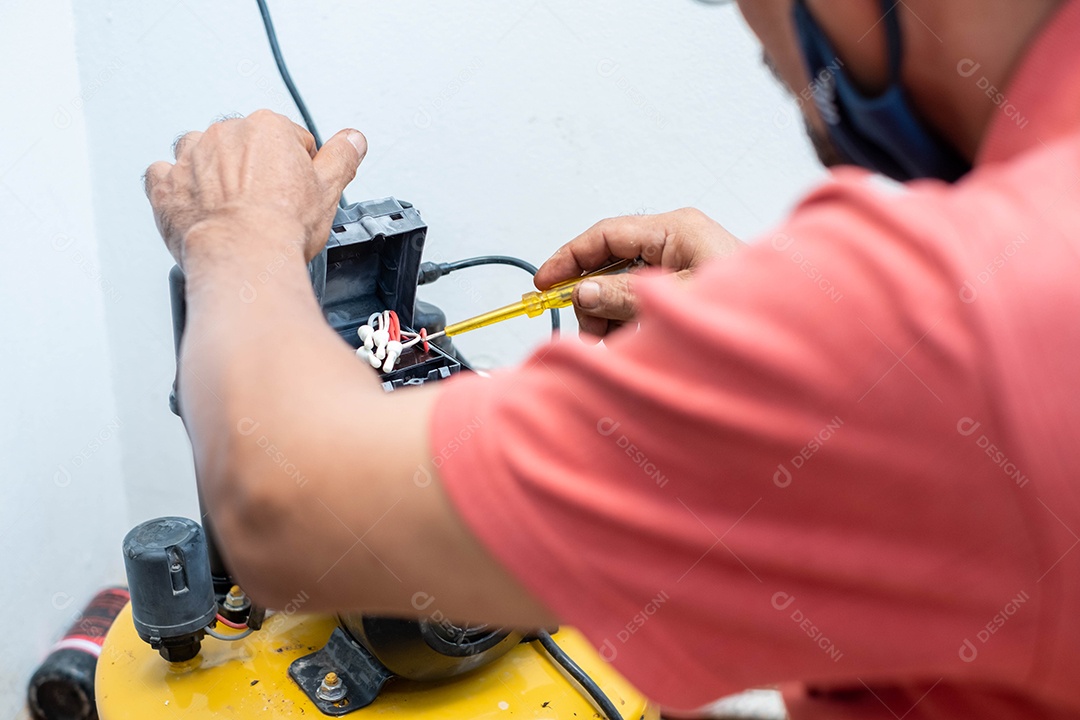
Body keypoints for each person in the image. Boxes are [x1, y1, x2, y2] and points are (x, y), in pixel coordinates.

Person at [143, 0, 1080, 717]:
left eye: (764, 45)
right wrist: (781, 352)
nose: (790, 82)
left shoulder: (967, 328)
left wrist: (235, 231)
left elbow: (282, 506)